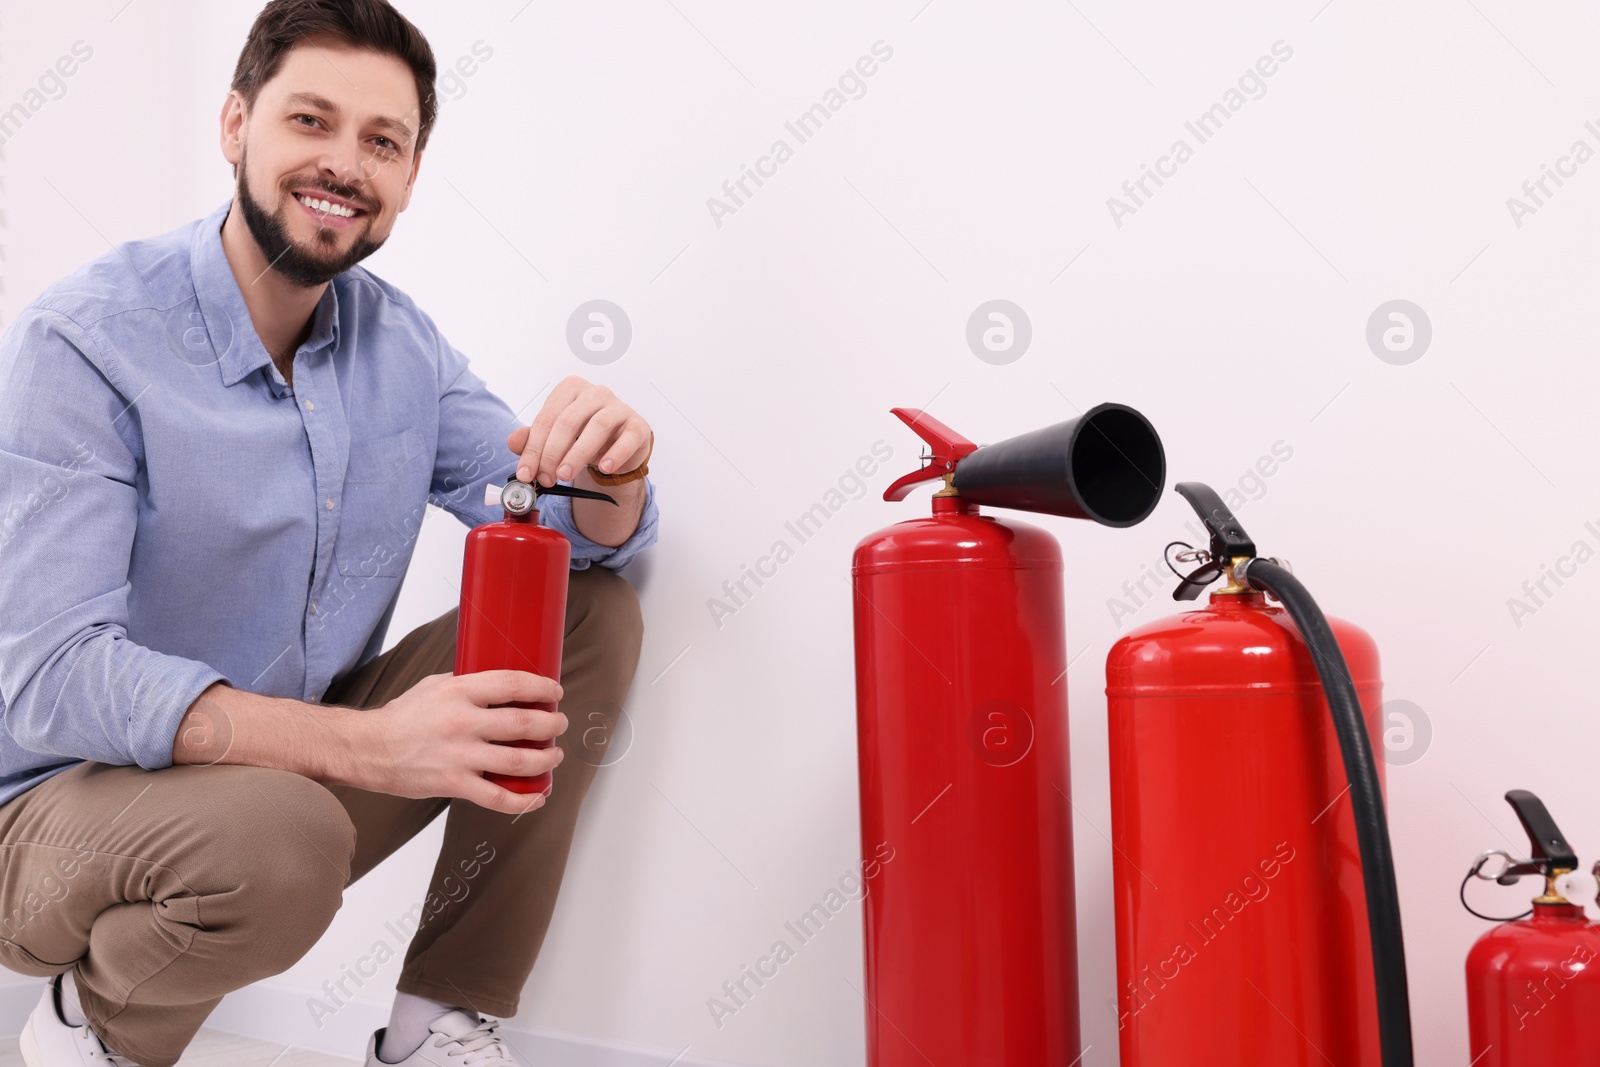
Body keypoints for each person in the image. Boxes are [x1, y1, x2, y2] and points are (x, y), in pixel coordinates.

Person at [0, 2, 659, 1065]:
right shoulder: (84, 339)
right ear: (234, 124)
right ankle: (98, 1025)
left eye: (382, 141)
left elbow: (557, 521)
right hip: (49, 812)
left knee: (586, 610)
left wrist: (613, 476)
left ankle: (435, 1021)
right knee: (284, 832)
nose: (343, 164)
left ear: (408, 172)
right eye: (311, 120)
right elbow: (54, 677)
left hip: (278, 777)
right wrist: (369, 743)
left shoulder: (402, 349)